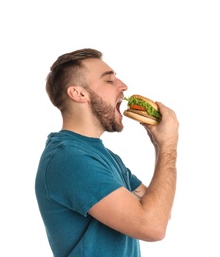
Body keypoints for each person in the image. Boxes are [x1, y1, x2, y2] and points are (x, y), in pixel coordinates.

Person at [35, 48, 179, 257]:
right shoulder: (69, 159)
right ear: (78, 93)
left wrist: (160, 144)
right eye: (109, 80)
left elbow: (160, 212)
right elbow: (153, 227)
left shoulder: (106, 157)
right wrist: (168, 145)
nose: (123, 86)